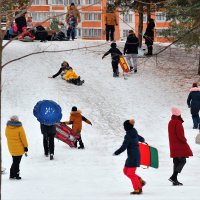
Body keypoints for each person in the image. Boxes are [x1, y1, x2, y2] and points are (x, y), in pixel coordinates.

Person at [113, 119, 145, 195]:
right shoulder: (134, 132)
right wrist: (141, 140)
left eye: (124, 126)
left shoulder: (128, 136)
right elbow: (142, 139)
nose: (124, 127)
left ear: (127, 127)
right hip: (132, 156)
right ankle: (139, 180)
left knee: (130, 173)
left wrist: (117, 152)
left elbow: (124, 147)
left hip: (133, 157)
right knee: (125, 171)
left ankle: (138, 189)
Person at [168, 107, 193, 186]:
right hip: (179, 145)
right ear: (178, 114)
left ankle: (174, 180)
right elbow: (180, 135)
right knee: (182, 161)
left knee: (176, 161)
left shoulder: (171, 122)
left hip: (173, 145)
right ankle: (173, 177)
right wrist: (184, 140)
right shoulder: (177, 122)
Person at [5, 115, 28, 180]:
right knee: (16, 162)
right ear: (17, 120)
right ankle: (16, 175)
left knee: (15, 161)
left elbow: (6, 135)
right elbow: (23, 138)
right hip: (19, 148)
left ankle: (12, 175)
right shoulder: (19, 127)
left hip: (11, 147)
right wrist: (25, 146)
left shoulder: (7, 127)